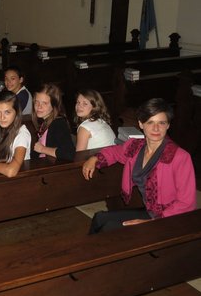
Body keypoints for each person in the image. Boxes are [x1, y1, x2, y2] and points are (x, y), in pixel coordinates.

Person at [82, 98, 197, 234]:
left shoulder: (179, 157)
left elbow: (186, 203)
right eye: (150, 122)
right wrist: (95, 158)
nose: (156, 128)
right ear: (141, 124)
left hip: (169, 219)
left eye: (162, 123)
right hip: (150, 211)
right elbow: (115, 151)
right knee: (99, 218)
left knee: (110, 230)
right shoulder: (136, 146)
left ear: (168, 125)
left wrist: (151, 223)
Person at [0, 90, 31, 177]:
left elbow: (11, 171)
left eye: (7, 112)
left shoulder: (22, 134)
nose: (2, 117)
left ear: (16, 112)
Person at [32, 83, 75, 161]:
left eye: (44, 103)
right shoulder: (45, 122)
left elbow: (69, 153)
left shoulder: (58, 124)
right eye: (36, 102)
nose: (39, 106)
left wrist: (42, 149)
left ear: (54, 105)